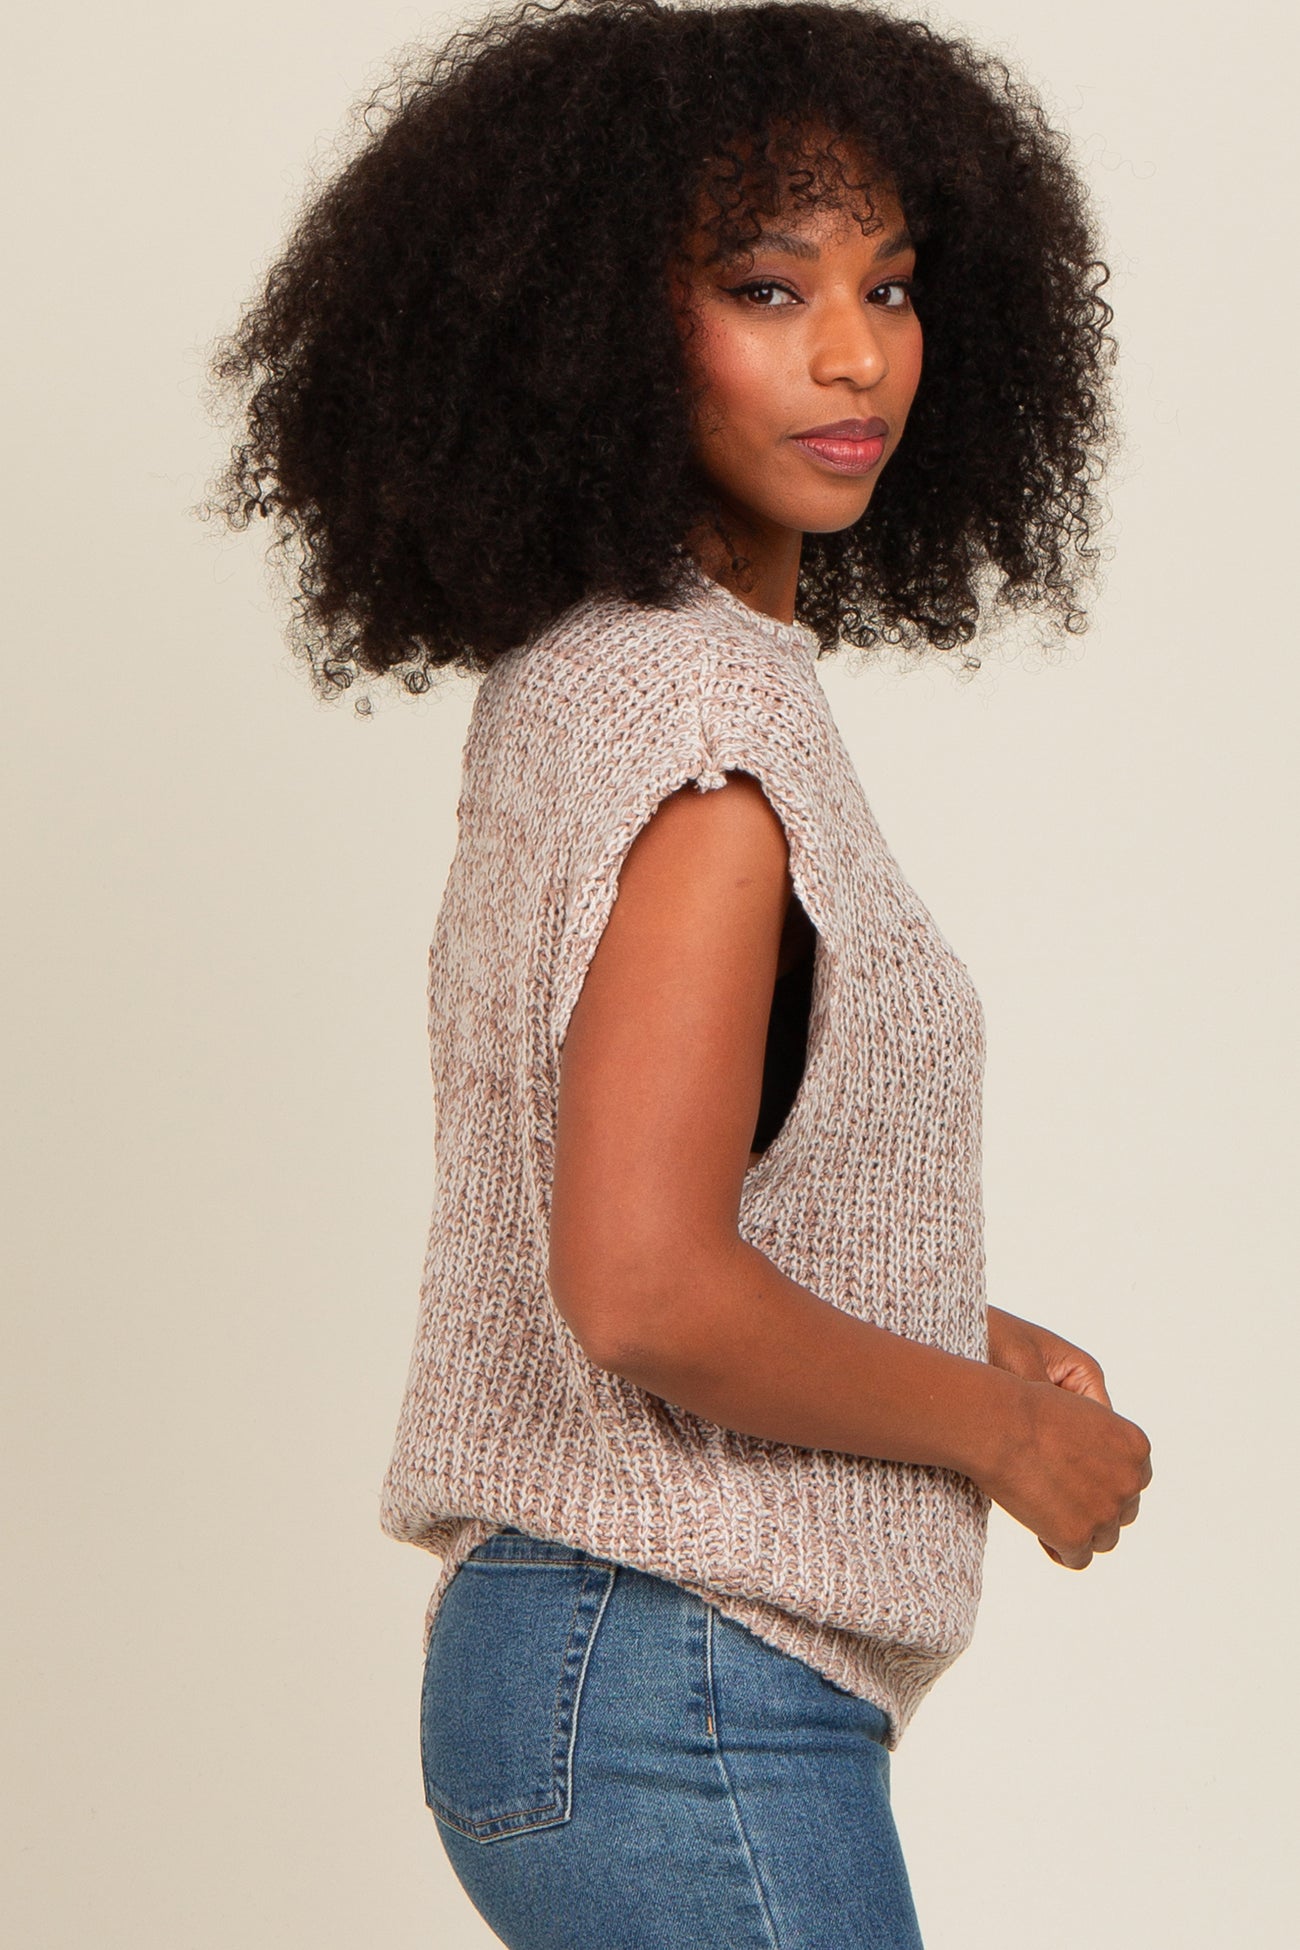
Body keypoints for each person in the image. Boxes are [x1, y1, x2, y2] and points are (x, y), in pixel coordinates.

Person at [205, 2, 1153, 1943]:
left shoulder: (594, 672)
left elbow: (663, 1179)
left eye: (890, 285)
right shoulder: (705, 744)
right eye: (763, 287)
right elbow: (640, 1285)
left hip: (602, 1665)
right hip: (675, 1684)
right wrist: (1006, 1436)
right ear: (592, 328)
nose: (851, 351)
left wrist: (945, 1328)